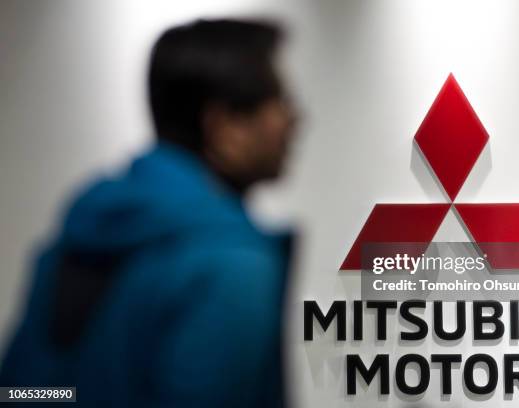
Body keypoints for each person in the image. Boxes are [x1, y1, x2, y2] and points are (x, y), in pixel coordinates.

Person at [0, 19, 297, 407]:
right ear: (225, 126)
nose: (294, 118)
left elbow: (24, 393)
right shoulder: (230, 263)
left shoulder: (84, 233)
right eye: (278, 100)